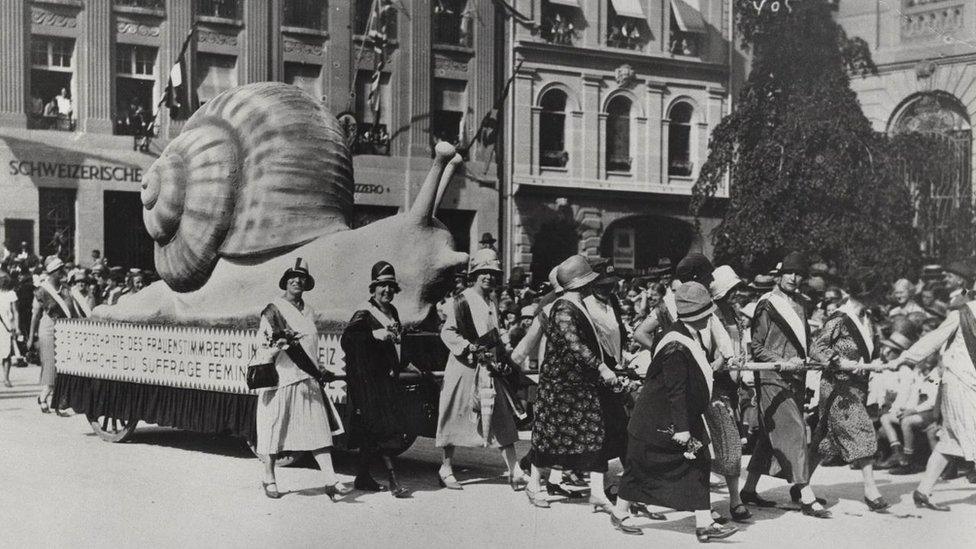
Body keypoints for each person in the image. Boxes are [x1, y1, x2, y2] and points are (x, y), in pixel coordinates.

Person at [612, 282, 738, 542]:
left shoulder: (686, 335)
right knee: (640, 467)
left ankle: (704, 524)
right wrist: (682, 428)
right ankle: (620, 512)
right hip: (659, 420)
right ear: (697, 316)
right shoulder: (676, 345)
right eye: (706, 314)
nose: (710, 318)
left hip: (667, 418)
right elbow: (675, 390)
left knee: (696, 462)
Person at [525, 255, 626, 511]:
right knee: (549, 437)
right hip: (561, 387)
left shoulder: (575, 304)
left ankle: (596, 493)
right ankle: (533, 484)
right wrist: (602, 367)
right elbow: (575, 345)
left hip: (578, 385)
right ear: (581, 283)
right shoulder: (564, 308)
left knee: (595, 434)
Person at [741, 252, 830, 517]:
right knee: (795, 431)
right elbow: (756, 345)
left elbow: (806, 342)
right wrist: (781, 361)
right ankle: (805, 494)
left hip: (797, 376)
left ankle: (748, 490)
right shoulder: (766, 304)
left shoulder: (802, 303)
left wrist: (824, 358)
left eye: (798, 273)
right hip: (772, 377)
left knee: (770, 437)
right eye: (789, 272)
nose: (793, 277)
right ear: (779, 275)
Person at [256, 258, 349, 500]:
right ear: (285, 281)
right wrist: (279, 344)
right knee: (274, 429)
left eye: (302, 277)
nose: (297, 280)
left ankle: (330, 479)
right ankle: (269, 477)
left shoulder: (309, 311)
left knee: (318, 429)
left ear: (307, 283)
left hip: (307, 379)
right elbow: (261, 347)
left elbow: (310, 347)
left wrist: (319, 368)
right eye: (292, 277)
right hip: (281, 379)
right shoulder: (273, 310)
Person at [435, 248, 526, 491]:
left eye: (492, 272)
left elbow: (495, 333)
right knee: (455, 414)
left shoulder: (491, 301)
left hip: (488, 366)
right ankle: (446, 467)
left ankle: (515, 469)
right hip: (464, 366)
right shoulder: (460, 300)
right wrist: (469, 348)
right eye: (483, 272)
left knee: (502, 415)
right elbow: (447, 332)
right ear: (474, 275)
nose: (488, 277)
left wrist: (505, 352)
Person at [888, 264, 976, 511]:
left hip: (965, 383)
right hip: (961, 384)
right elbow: (932, 340)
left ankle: (923, 491)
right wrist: (904, 358)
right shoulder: (962, 313)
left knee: (950, 441)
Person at [808, 275, 888, 512]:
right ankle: (871, 490)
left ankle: (801, 484)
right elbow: (817, 347)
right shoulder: (839, 319)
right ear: (865, 294)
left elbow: (873, 347)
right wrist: (837, 361)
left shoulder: (869, 318)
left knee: (825, 439)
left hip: (859, 385)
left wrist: (877, 361)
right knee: (862, 428)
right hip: (838, 387)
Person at [340, 261, 410, 498]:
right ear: (373, 289)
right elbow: (348, 340)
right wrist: (373, 334)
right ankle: (393, 481)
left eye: (390, 286)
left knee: (373, 432)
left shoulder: (394, 312)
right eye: (382, 286)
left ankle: (362, 476)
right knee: (383, 429)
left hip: (387, 379)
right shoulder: (364, 313)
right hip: (369, 382)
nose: (387, 290)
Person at [706, 265, 750, 522]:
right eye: (731, 289)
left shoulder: (734, 313)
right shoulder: (709, 313)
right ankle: (705, 503)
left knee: (732, 443)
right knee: (714, 444)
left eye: (736, 289)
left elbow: (739, 343)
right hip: (715, 384)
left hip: (733, 386)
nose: (736, 294)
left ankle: (735, 500)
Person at [28, 256, 79, 414]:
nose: (63, 272)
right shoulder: (42, 290)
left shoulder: (65, 288)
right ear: (53, 272)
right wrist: (31, 338)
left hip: (64, 328)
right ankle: (44, 396)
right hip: (48, 328)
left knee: (63, 365)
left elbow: (74, 309)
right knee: (51, 364)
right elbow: (35, 315)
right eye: (60, 270)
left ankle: (57, 401)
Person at [0, 272, 19, 387]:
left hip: (7, 326)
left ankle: (6, 378)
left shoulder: (12, 294)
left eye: (3, 279)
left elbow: (16, 312)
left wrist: (17, 327)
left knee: (6, 353)